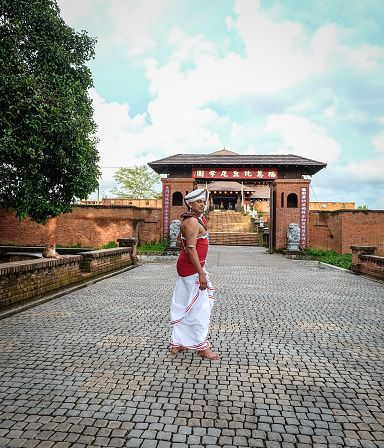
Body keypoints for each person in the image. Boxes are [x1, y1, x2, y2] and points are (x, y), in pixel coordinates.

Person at [170, 188, 220, 360]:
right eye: (199, 202)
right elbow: (190, 249)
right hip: (192, 269)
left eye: (204, 202)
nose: (202, 204)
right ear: (190, 204)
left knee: (185, 304)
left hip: (189, 266)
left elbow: (179, 243)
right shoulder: (191, 222)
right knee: (201, 309)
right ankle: (201, 346)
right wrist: (201, 274)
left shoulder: (191, 220)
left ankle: (179, 342)